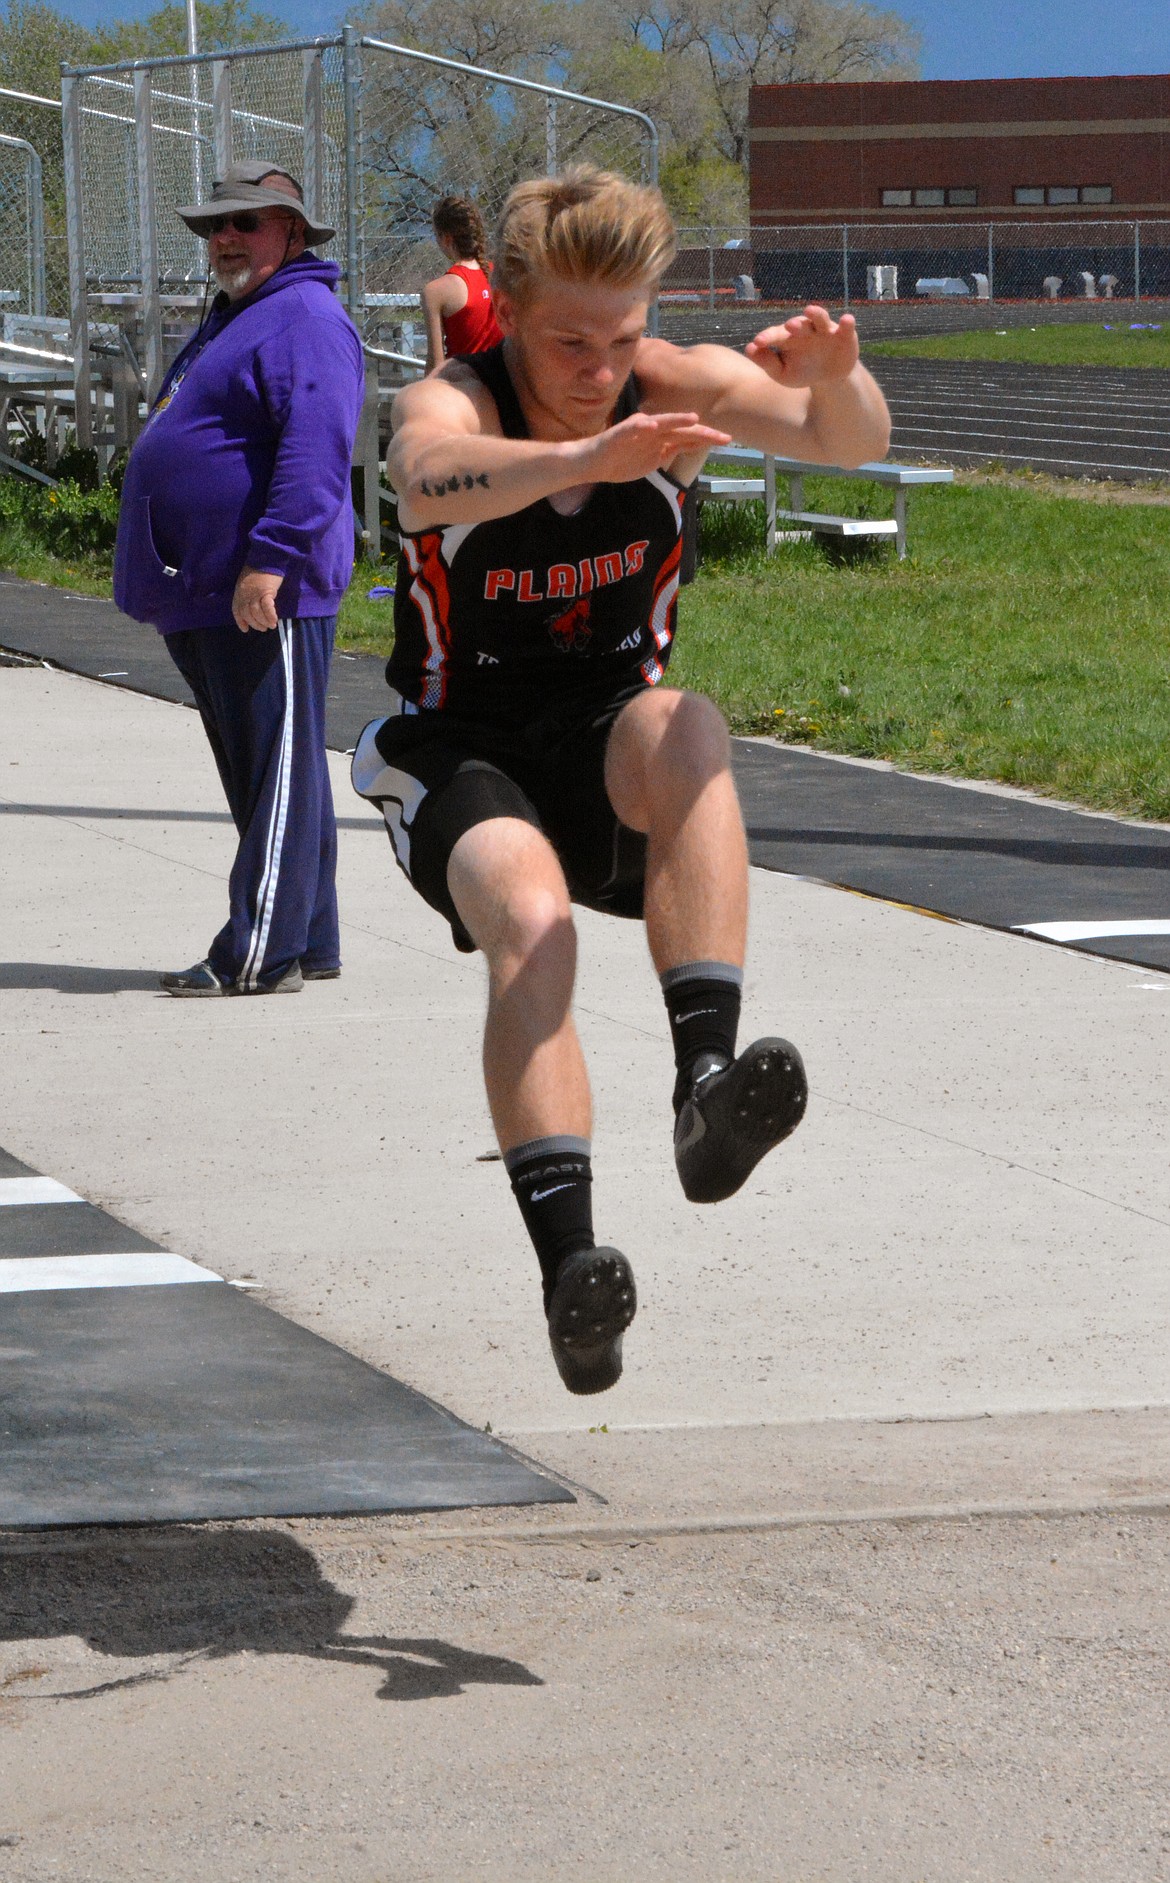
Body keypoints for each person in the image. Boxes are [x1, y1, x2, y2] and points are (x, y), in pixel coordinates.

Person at [352, 166, 890, 1394]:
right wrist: (591, 452)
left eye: (626, 338)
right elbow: (425, 480)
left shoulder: (666, 384)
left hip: (604, 742)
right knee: (533, 924)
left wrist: (833, 377)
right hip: (460, 745)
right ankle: (571, 1274)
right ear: (512, 314)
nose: (601, 367)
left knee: (686, 721)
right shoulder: (454, 396)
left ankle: (707, 1094)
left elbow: (852, 442)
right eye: (569, 342)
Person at [113, 161, 365, 996]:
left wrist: (269, 562)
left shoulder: (305, 318)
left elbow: (316, 450)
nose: (225, 237)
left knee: (275, 775)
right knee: (273, 775)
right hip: (211, 593)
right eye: (216, 226)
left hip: (265, 592)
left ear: (291, 233)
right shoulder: (238, 316)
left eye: (245, 222)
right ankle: (311, 937)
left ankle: (258, 953)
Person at [421, 195, 503, 374]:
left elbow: (435, 364)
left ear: (447, 239)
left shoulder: (436, 290)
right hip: (502, 387)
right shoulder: (502, 275)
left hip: (460, 389)